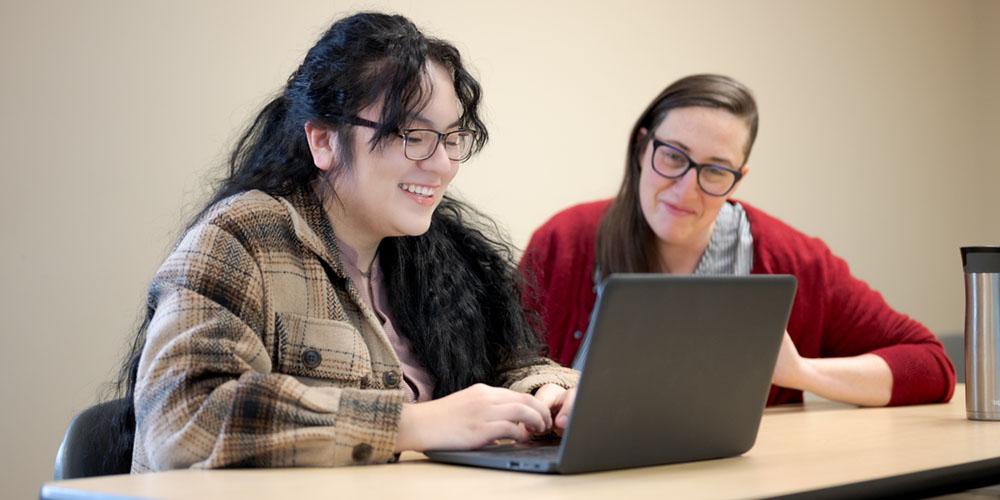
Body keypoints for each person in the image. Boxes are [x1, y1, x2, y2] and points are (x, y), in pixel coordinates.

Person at [115, 12, 578, 472]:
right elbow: (184, 419)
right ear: (323, 140)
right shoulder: (241, 236)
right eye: (413, 135)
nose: (442, 165)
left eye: (453, 137)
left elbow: (506, 368)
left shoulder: (435, 252)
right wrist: (410, 424)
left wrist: (546, 396)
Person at [520, 74, 954, 407]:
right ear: (641, 148)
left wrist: (799, 372)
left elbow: (931, 365)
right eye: (672, 156)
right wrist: (546, 392)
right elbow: (499, 365)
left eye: (715, 170)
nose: (686, 189)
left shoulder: (792, 259)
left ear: (738, 179)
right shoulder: (564, 242)